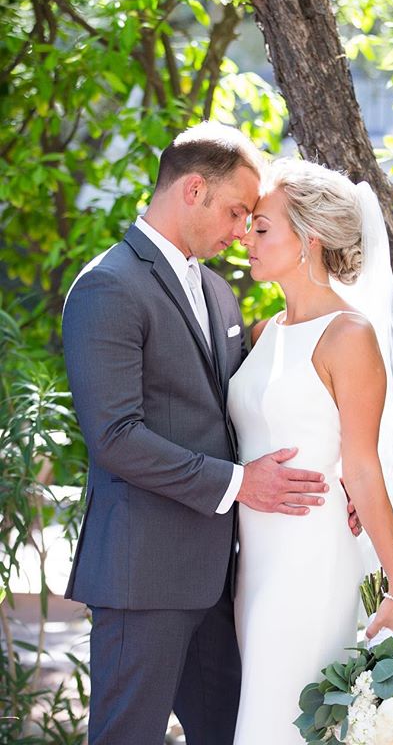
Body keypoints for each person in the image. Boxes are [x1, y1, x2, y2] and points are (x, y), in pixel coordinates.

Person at [62, 123, 336, 745]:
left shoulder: (218, 292)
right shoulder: (106, 287)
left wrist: (336, 477)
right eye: (238, 210)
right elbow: (116, 436)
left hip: (222, 576)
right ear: (192, 189)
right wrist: (240, 485)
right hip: (144, 576)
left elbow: (239, 412)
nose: (243, 229)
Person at [228, 158, 393, 744]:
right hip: (253, 561)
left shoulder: (349, 335)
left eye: (262, 228)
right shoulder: (261, 333)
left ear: (309, 241)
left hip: (314, 560)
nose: (246, 238)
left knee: (283, 720)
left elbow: (361, 464)